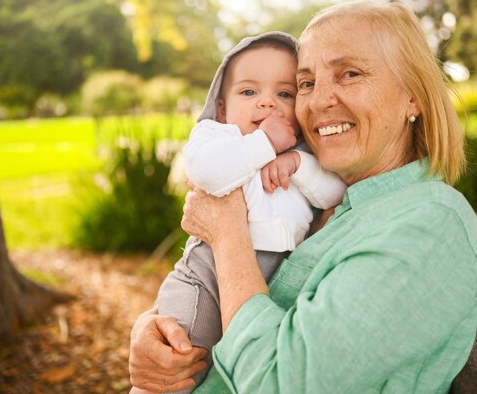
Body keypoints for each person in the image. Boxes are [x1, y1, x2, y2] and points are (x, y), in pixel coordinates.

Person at [129, 1, 477, 394]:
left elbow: (280, 384)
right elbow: (247, 289)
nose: (316, 102)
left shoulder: (429, 222)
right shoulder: (330, 197)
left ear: (413, 97)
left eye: (350, 74)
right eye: (306, 83)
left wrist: (227, 231)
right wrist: (160, 329)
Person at [131, 32, 346, 394]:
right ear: (221, 107)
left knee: (238, 358)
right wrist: (264, 144)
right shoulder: (217, 136)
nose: (267, 104)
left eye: (284, 94)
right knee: (180, 358)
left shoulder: (303, 154)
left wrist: (297, 163)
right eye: (249, 92)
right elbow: (205, 173)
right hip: (207, 273)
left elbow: (333, 194)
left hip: (276, 271)